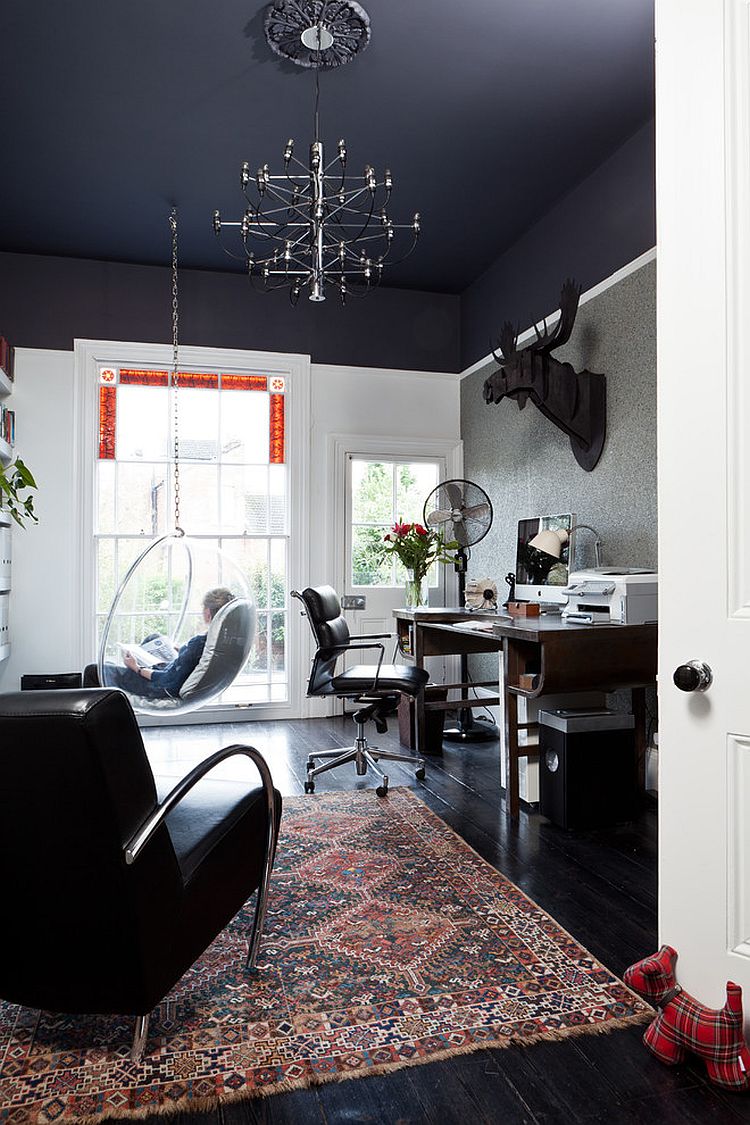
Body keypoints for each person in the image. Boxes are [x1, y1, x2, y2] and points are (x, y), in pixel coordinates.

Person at [88, 587, 235, 700]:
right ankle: (127, 669)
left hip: (160, 687)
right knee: (154, 637)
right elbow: (192, 660)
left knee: (94, 670)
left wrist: (136, 668)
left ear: (208, 613)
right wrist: (182, 649)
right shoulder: (220, 641)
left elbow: (166, 681)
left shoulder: (198, 644)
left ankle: (128, 672)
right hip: (175, 670)